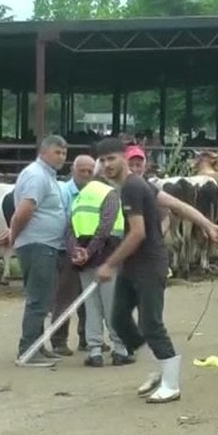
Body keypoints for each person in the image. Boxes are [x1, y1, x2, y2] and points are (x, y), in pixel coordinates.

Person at [93, 138, 218, 403]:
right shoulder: (136, 185)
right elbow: (178, 205)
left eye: (112, 158)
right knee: (119, 318)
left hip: (149, 265)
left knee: (150, 323)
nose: (107, 164)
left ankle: (171, 383)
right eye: (103, 160)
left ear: (123, 158)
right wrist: (208, 225)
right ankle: (158, 366)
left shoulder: (132, 187)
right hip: (132, 266)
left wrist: (109, 264)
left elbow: (138, 234)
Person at [0, 135, 69, 368]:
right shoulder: (37, 176)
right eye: (57, 152)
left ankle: (37, 345)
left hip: (45, 244)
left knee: (44, 298)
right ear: (44, 152)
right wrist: (15, 234)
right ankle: (28, 350)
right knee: (39, 299)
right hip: (38, 244)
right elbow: (25, 210)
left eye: (64, 153)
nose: (62, 157)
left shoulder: (46, 176)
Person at [66, 155, 129, 367]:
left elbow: (70, 227)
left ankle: (94, 350)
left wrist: (77, 252)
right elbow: (106, 226)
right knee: (112, 304)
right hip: (107, 254)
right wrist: (91, 251)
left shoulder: (80, 197)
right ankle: (120, 348)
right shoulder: (110, 194)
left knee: (91, 306)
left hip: (84, 260)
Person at [50, 154, 95, 355]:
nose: (86, 174)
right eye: (82, 170)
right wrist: (73, 249)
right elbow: (63, 222)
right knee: (65, 297)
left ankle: (87, 338)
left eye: (89, 171)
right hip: (66, 249)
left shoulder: (95, 193)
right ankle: (59, 340)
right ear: (72, 171)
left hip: (90, 250)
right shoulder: (63, 192)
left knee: (89, 298)